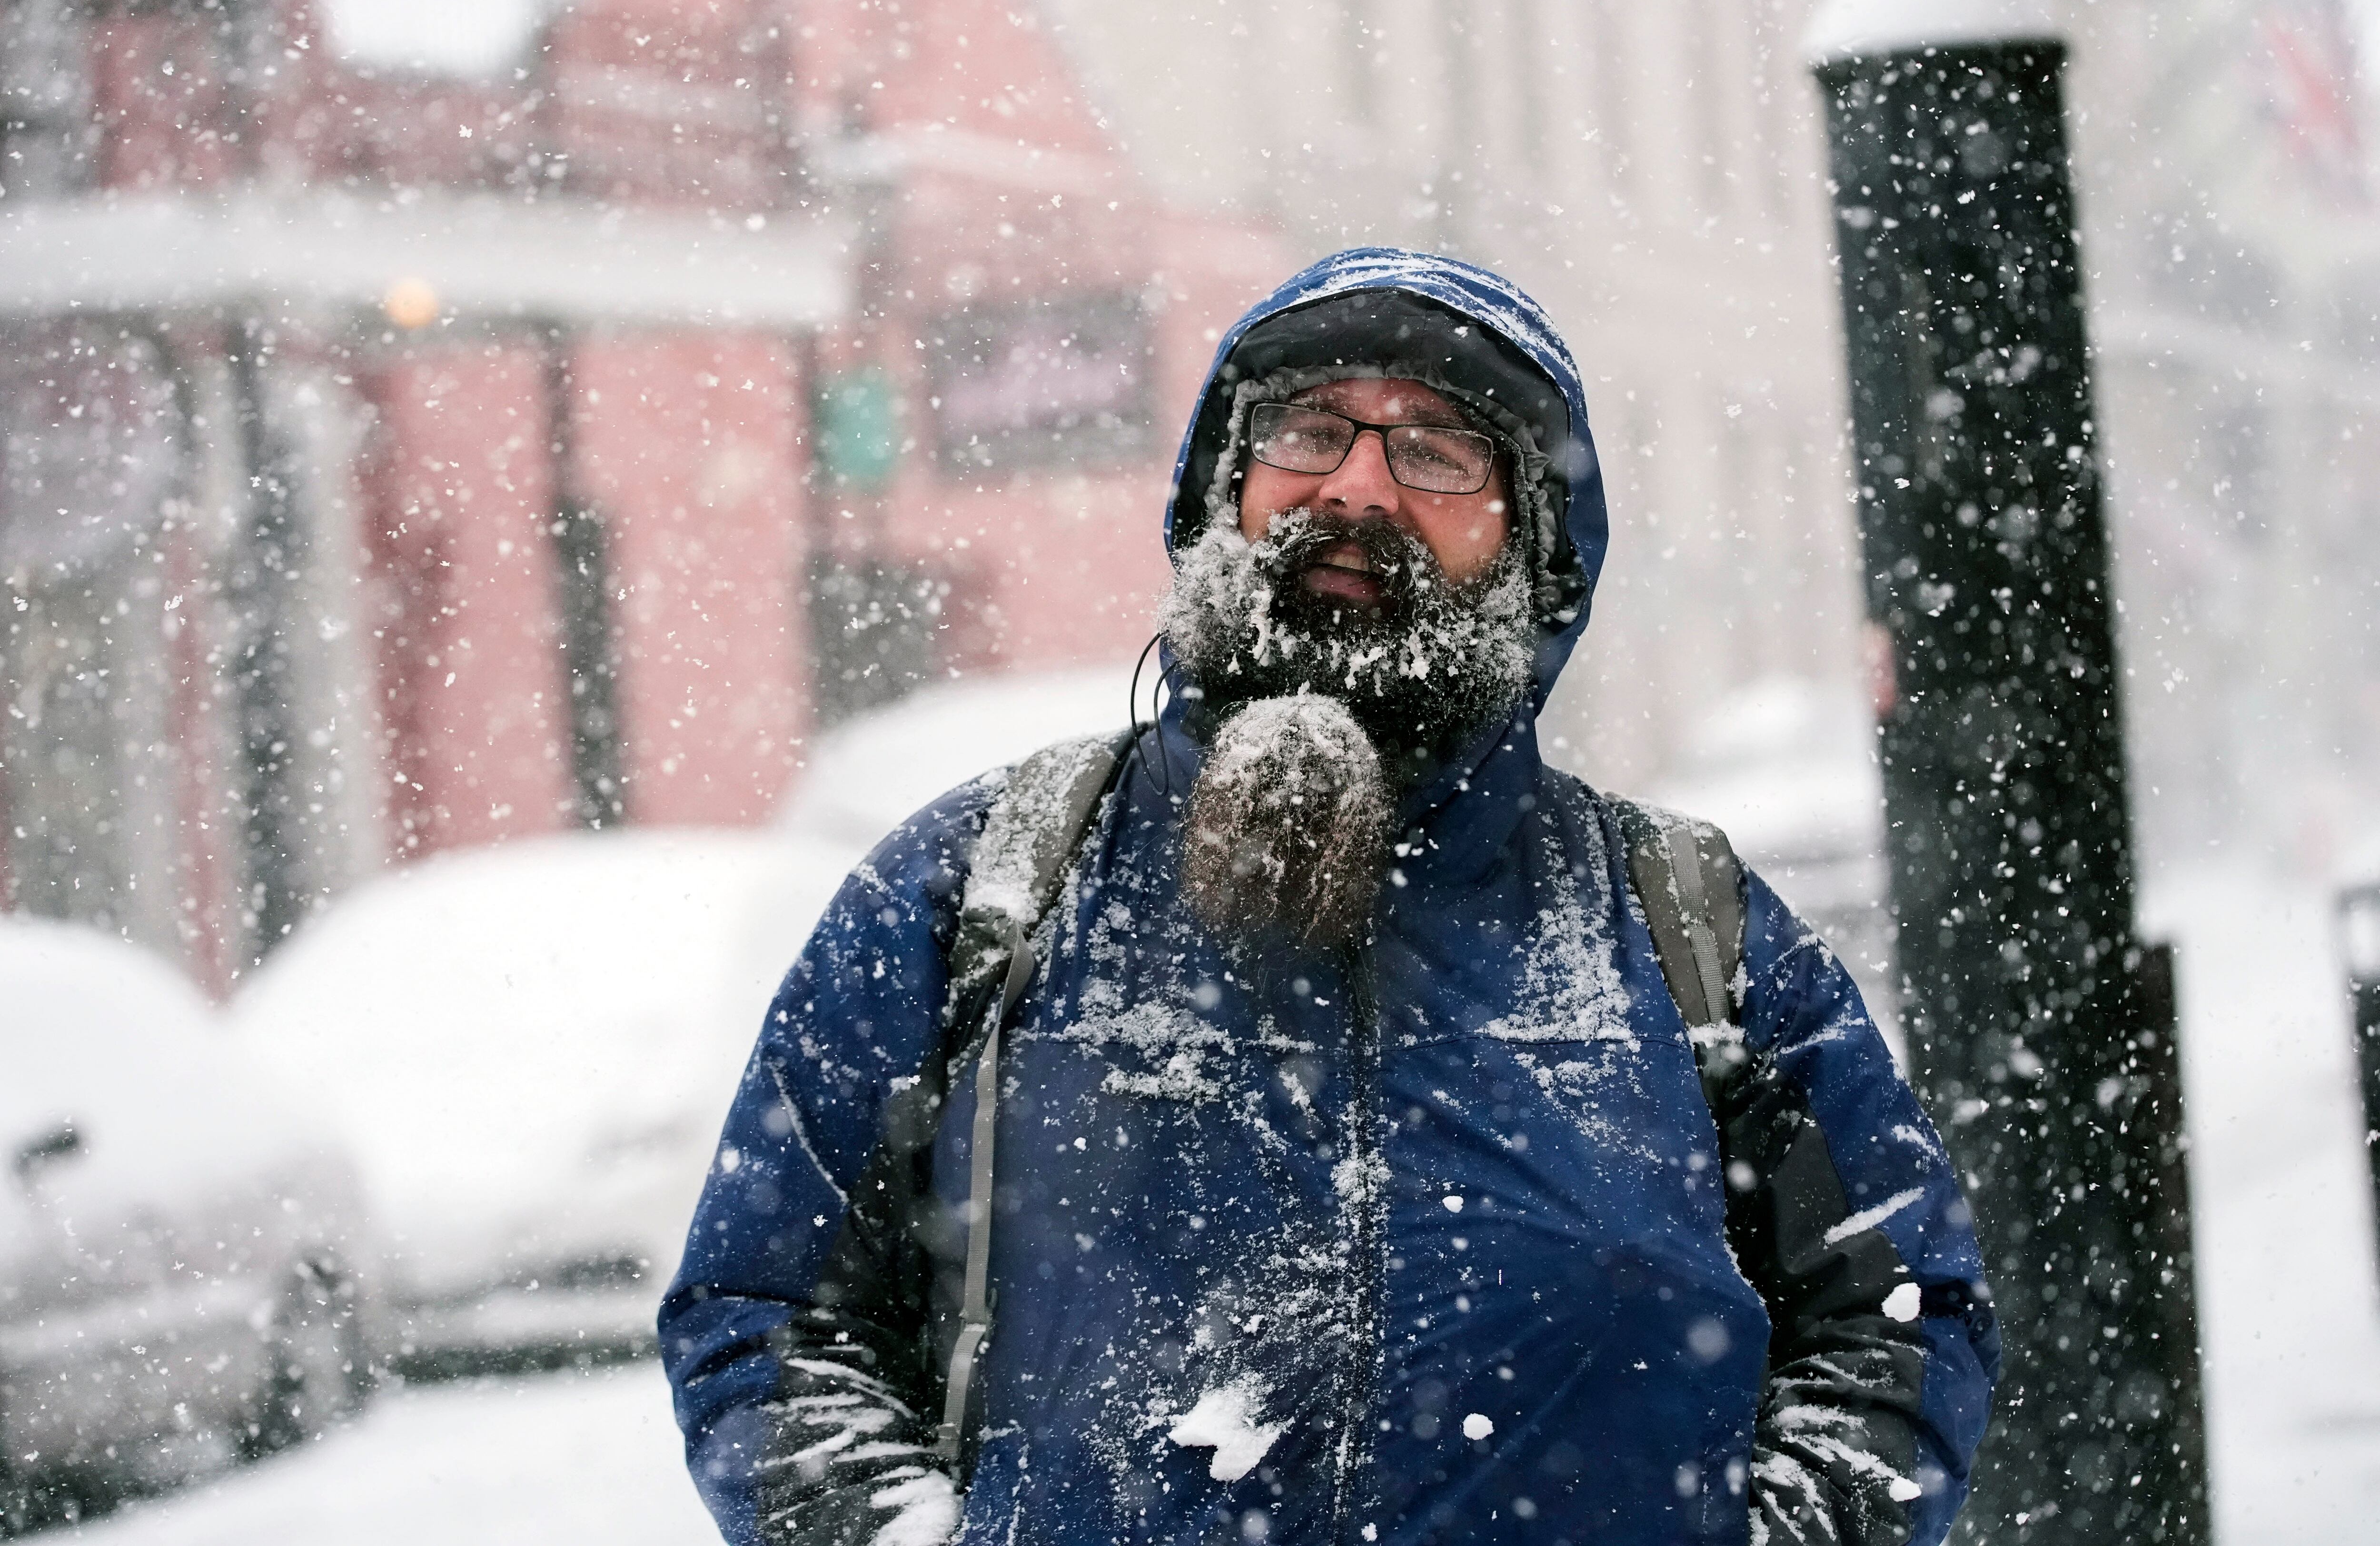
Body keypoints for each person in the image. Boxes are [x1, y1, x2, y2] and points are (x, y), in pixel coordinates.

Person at [660, 250, 1997, 1546]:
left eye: (1438, 451)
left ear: (1532, 550)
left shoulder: (1686, 928)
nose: (1356, 488)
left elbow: (1900, 1314)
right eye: (1308, 429)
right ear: (1221, 491)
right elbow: (764, 1313)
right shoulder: (979, 889)